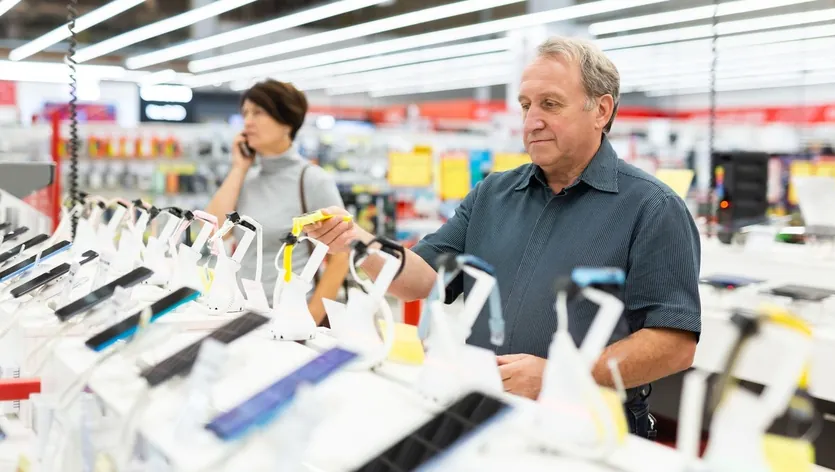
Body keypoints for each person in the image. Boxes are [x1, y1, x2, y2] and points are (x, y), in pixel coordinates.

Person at [304, 37, 701, 438]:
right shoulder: (493, 193)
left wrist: (556, 376)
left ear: (600, 110)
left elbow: (673, 343)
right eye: (526, 106)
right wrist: (357, 241)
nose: (531, 122)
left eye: (550, 104)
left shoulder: (652, 207)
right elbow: (421, 280)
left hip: (584, 428)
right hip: (484, 413)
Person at [206, 79, 349, 324]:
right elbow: (215, 232)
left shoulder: (312, 180)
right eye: (245, 113)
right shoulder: (246, 178)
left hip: (291, 318)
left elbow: (341, 256)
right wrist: (239, 168)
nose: (248, 121)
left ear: (286, 122)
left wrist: (311, 317)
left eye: (258, 112)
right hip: (240, 313)